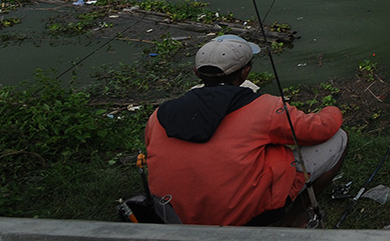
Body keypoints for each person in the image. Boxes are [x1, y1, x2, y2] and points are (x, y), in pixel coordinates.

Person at [144, 35, 348, 226]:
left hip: (170, 214)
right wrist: (332, 110)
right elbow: (320, 130)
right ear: (245, 71)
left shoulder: (159, 115)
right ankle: (294, 221)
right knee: (338, 138)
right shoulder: (265, 108)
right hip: (239, 215)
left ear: (197, 72)